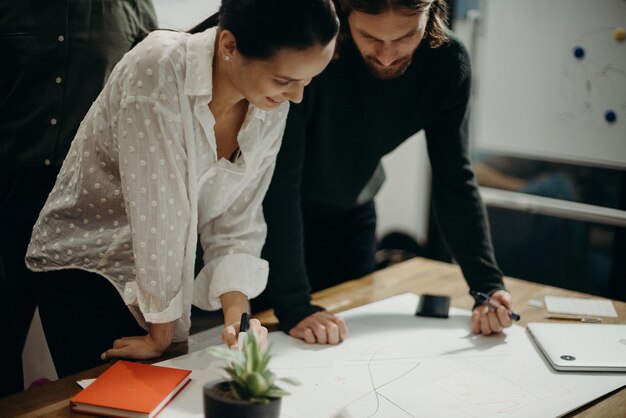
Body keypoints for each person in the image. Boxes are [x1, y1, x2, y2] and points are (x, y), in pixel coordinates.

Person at [24, 0, 339, 379]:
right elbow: (161, 214)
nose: (297, 96)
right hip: (91, 267)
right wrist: (162, 335)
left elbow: (237, 221)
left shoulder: (270, 102)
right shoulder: (158, 68)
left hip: (162, 285)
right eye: (284, 81)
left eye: (307, 81)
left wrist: (239, 322)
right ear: (228, 46)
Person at [258, 0, 515, 345]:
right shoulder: (313, 55)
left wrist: (487, 286)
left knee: (350, 352)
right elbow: (280, 181)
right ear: (344, 14)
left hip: (352, 220)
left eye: (407, 36)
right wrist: (293, 305)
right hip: (273, 226)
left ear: (433, 13)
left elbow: (454, 178)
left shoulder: (447, 63)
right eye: (370, 37)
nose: (387, 55)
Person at [0, 0, 157, 397]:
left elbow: (148, 100)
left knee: (97, 364)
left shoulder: (132, 8)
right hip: (9, 195)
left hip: (90, 213)